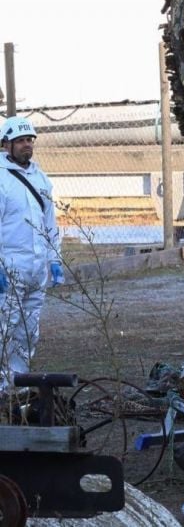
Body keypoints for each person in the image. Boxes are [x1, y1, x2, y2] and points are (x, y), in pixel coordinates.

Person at [0, 116, 61, 389]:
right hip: (9, 266)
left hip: (37, 269)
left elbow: (50, 224)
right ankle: (2, 389)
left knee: (27, 331)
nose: (27, 145)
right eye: (21, 141)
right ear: (6, 144)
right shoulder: (1, 179)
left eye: (29, 140)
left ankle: (19, 384)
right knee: (4, 328)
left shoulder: (40, 178)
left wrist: (54, 261)